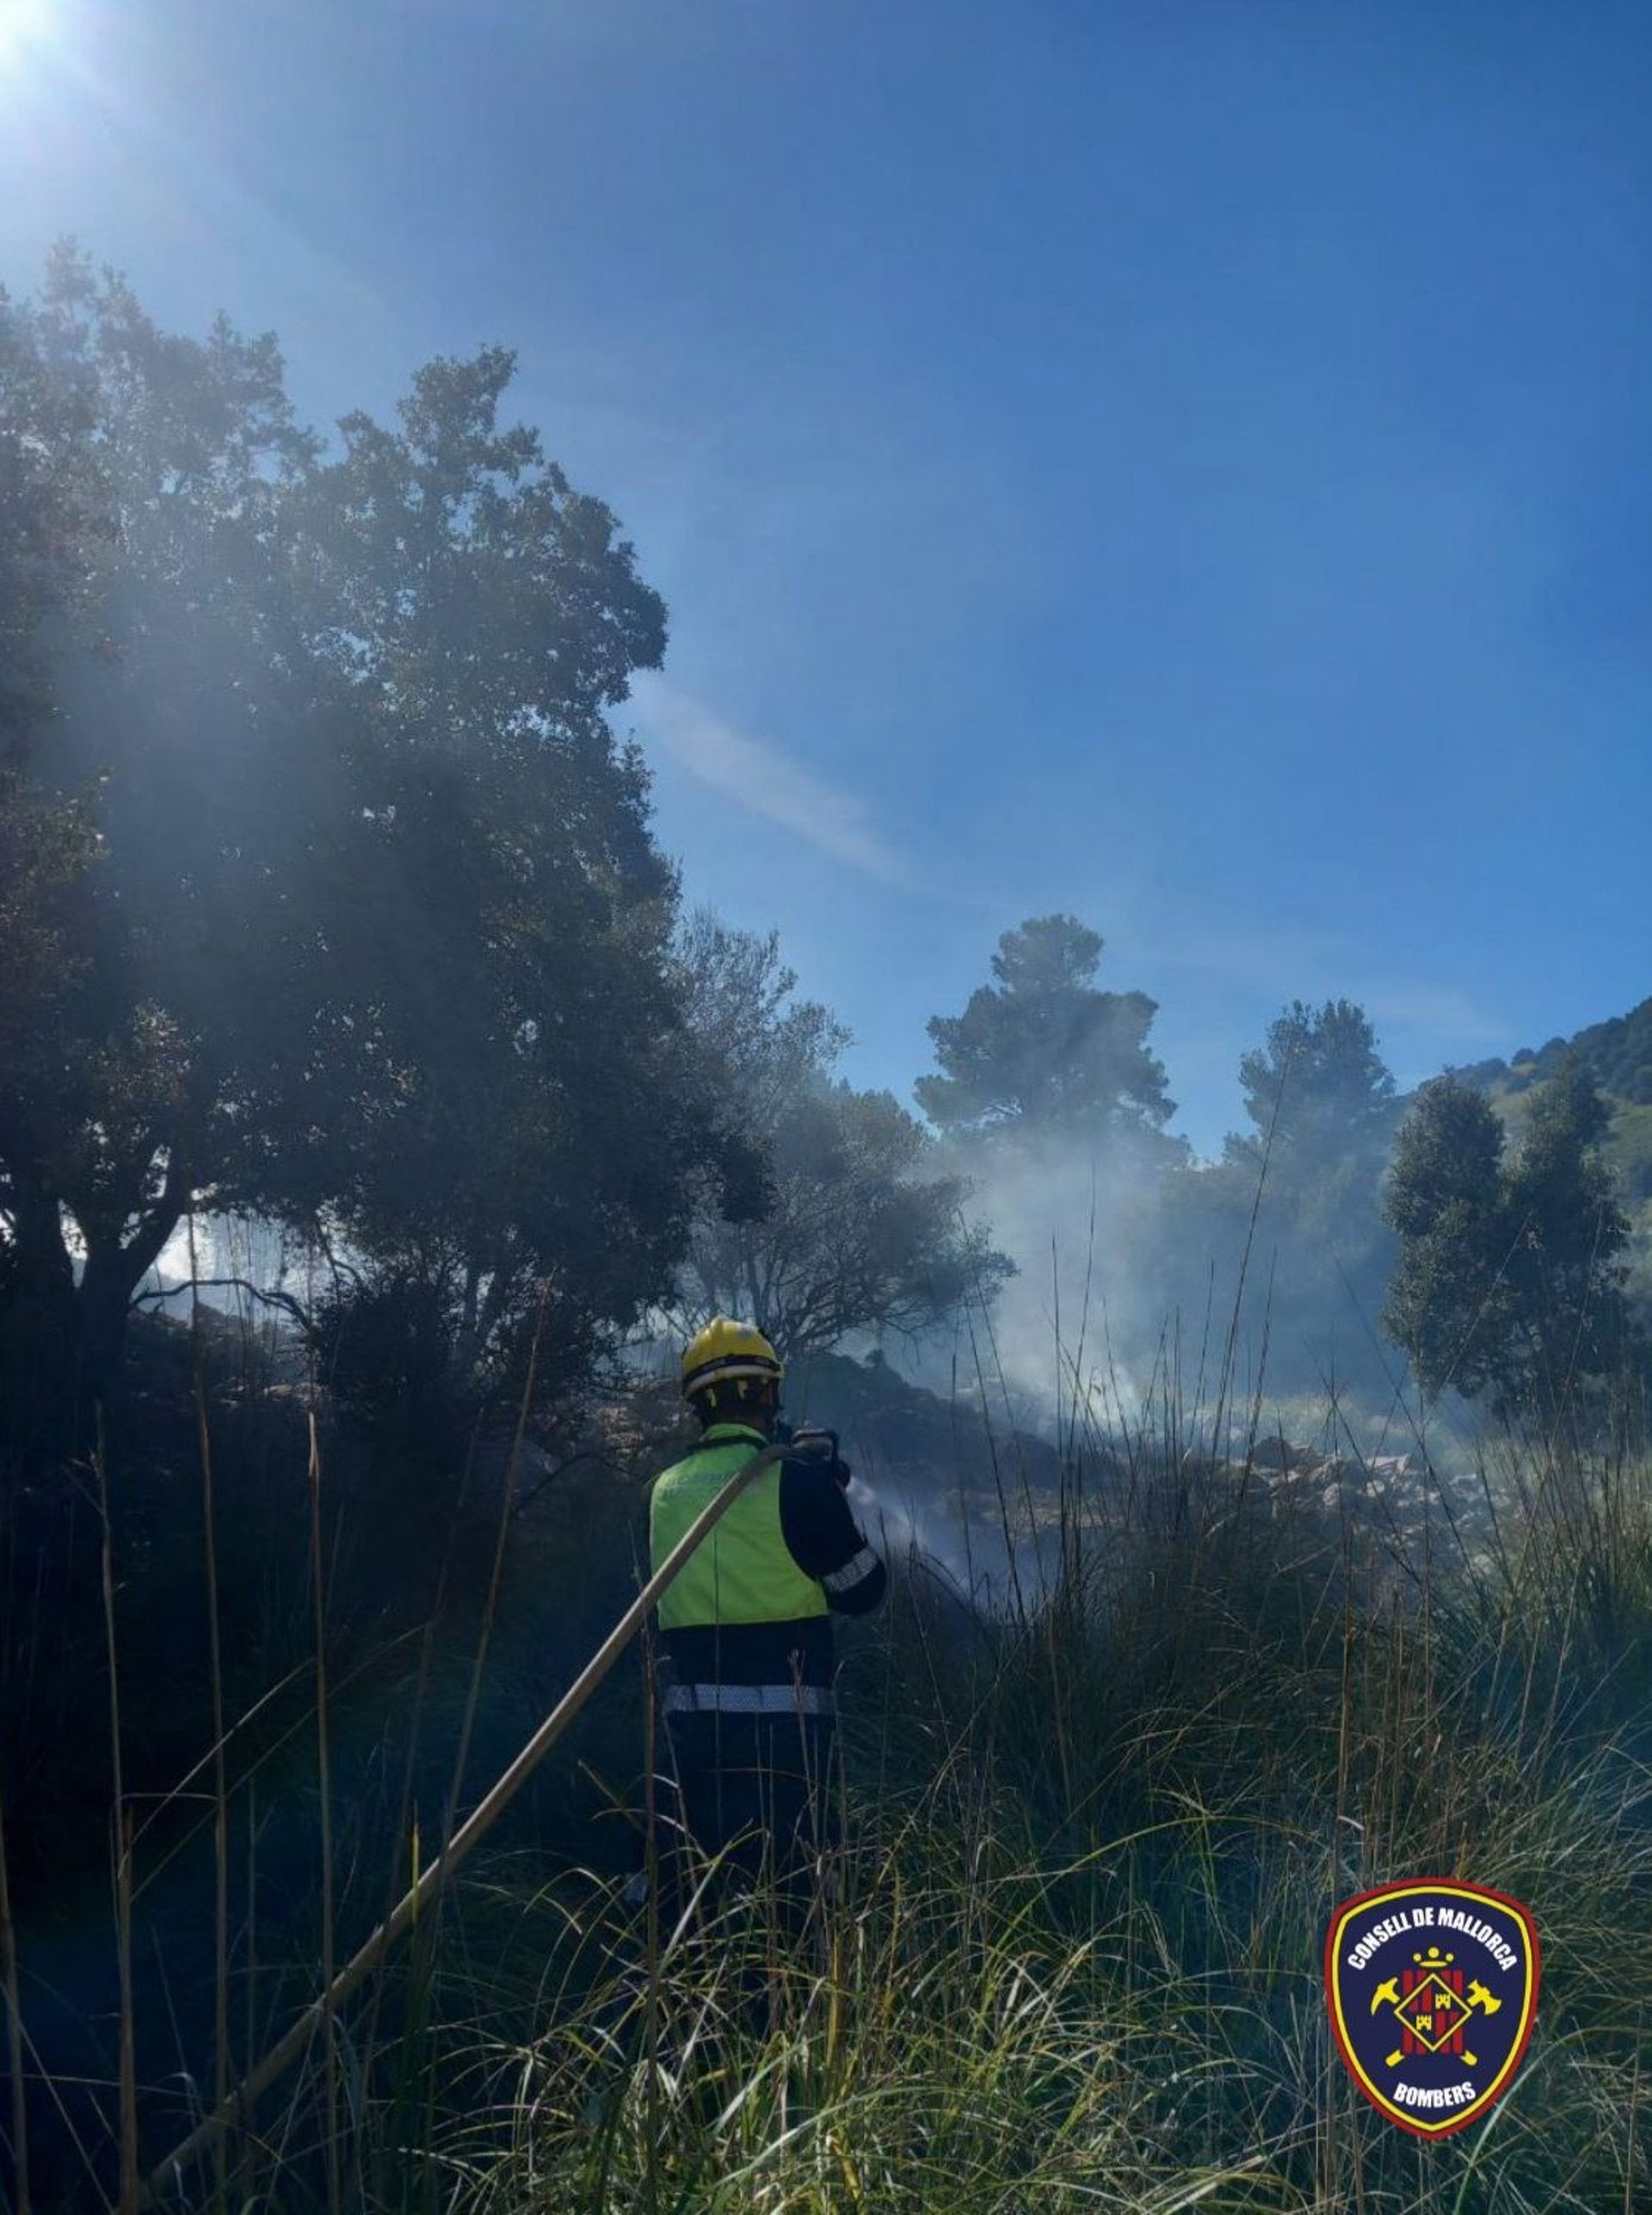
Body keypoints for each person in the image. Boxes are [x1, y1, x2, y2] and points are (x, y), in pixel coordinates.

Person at [645, 1316, 885, 1952]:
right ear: (771, 1394)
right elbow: (864, 1591)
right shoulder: (798, 1482)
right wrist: (834, 1495)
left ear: (696, 1405)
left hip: (693, 1737)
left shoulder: (659, 1492)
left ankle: (684, 2014)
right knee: (798, 1899)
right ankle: (790, 2022)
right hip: (790, 1743)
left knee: (697, 1894)